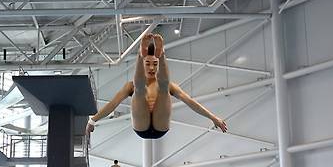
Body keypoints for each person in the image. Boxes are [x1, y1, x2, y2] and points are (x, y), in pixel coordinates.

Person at [86, 33, 228, 139]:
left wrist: (213, 117)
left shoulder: (168, 86)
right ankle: (140, 55)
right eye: (147, 63)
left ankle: (162, 54)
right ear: (143, 65)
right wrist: (93, 120)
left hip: (161, 126)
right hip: (141, 126)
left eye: (155, 64)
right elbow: (113, 104)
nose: (152, 68)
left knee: (164, 87)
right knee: (139, 89)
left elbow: (190, 102)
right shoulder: (131, 86)